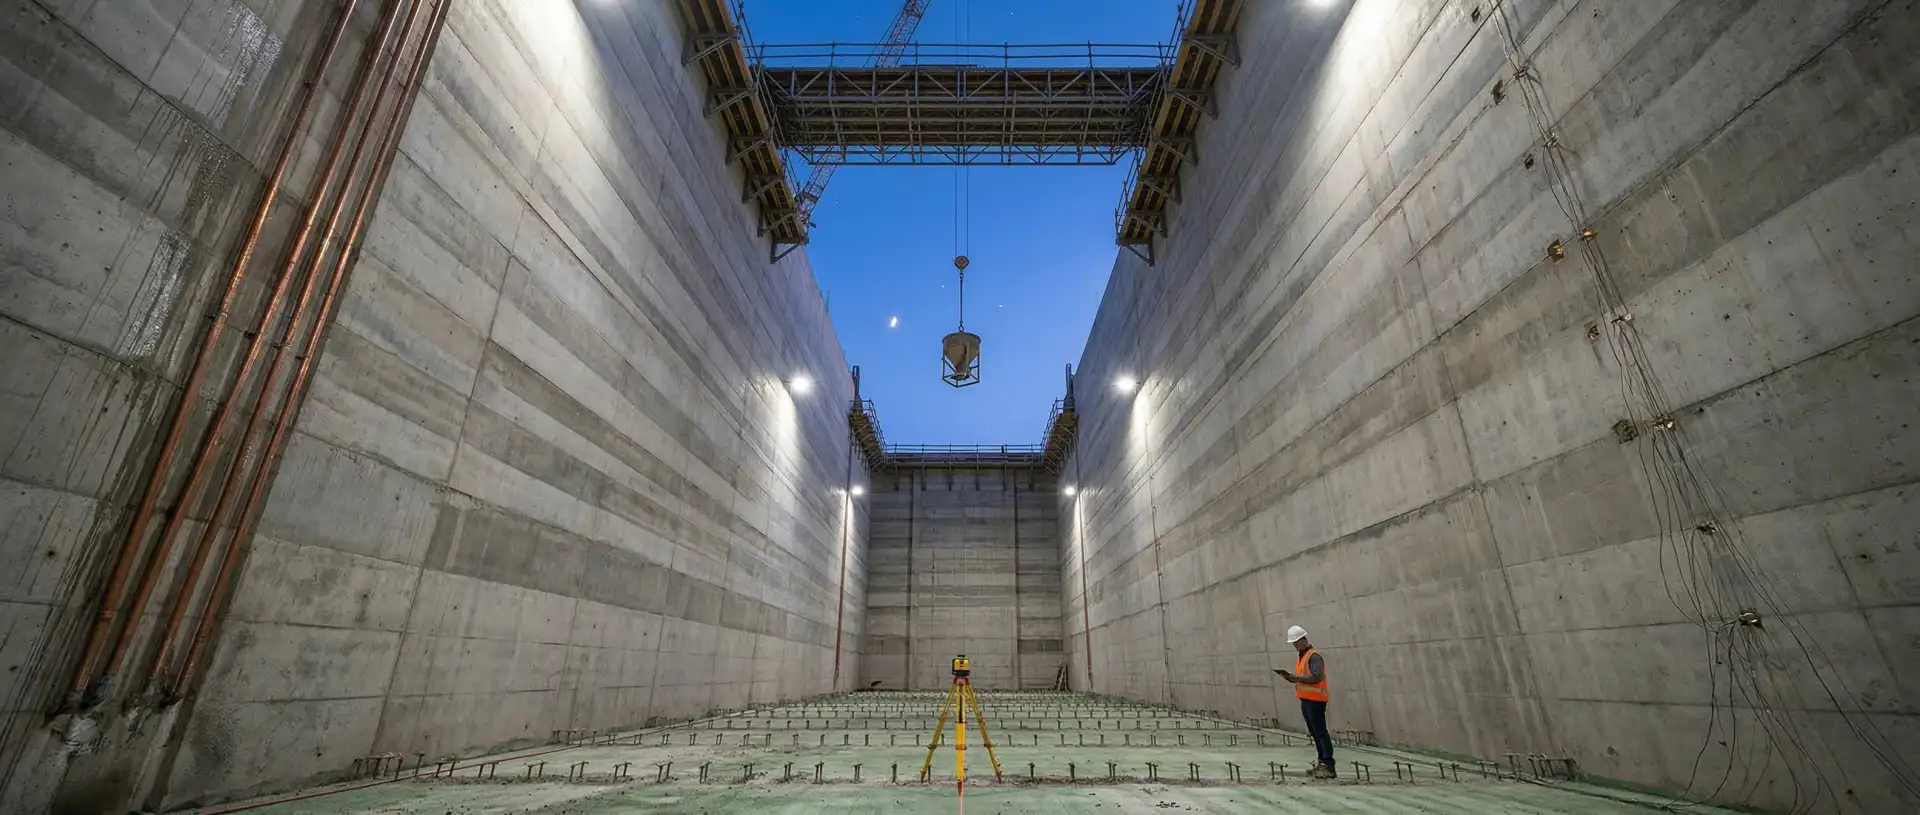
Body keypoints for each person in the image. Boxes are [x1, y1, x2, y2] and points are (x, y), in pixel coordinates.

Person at [1274, 625, 1334, 778]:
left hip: (1316, 701)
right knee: (1314, 732)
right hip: (1306, 700)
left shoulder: (1314, 656)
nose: (1295, 645)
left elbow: (1316, 676)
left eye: (1296, 642)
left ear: (1304, 640)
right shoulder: (1302, 656)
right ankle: (1322, 763)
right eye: (1293, 643)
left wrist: (1297, 678)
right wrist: (1292, 678)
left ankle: (1328, 765)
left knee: (1321, 732)